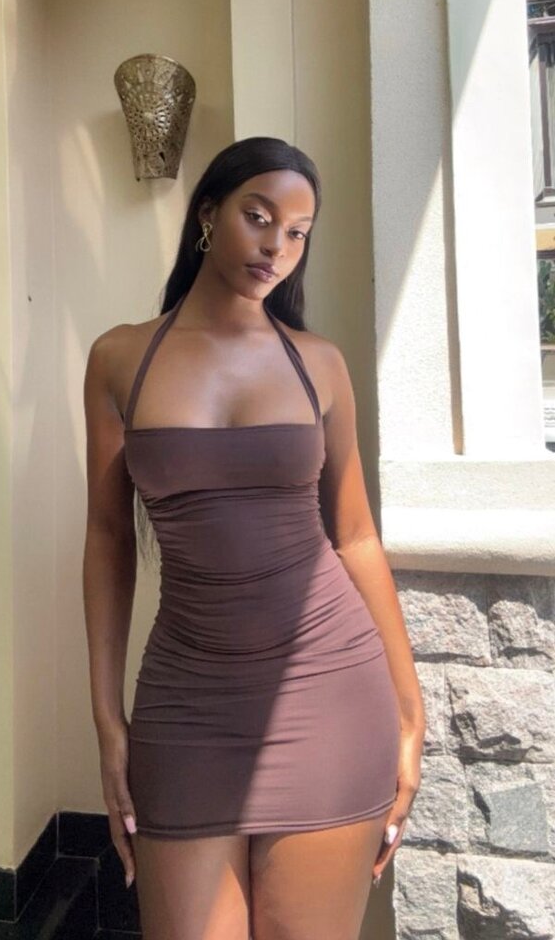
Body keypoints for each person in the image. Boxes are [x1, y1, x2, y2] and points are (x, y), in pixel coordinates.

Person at [83, 136, 425, 940]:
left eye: (297, 232)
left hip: (331, 692)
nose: (277, 246)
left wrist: (411, 713)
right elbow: (107, 540)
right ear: (208, 214)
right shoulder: (119, 358)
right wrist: (107, 723)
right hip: (186, 702)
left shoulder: (318, 364)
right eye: (259, 217)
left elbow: (355, 538)